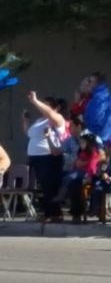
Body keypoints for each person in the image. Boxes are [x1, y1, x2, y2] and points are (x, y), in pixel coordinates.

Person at [23, 92, 67, 220]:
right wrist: (25, 121)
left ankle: (54, 213)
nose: (42, 108)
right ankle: (49, 212)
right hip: (36, 158)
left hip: (48, 157)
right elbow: (29, 134)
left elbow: (50, 114)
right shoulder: (39, 121)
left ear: (55, 108)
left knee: (50, 185)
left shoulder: (57, 119)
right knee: (43, 185)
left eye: (45, 106)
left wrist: (35, 101)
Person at [55, 133, 101, 223]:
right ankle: (71, 208)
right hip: (78, 173)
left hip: (88, 176)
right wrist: (74, 168)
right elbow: (76, 164)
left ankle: (75, 210)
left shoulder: (93, 153)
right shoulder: (81, 152)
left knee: (74, 184)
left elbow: (92, 167)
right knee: (68, 180)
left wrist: (88, 176)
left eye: (83, 143)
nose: (81, 145)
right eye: (80, 143)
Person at [83, 72, 111, 141]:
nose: (88, 84)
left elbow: (98, 121)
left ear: (97, 83)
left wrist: (99, 140)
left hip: (99, 141)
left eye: (90, 81)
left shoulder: (100, 99)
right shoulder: (97, 98)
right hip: (97, 139)